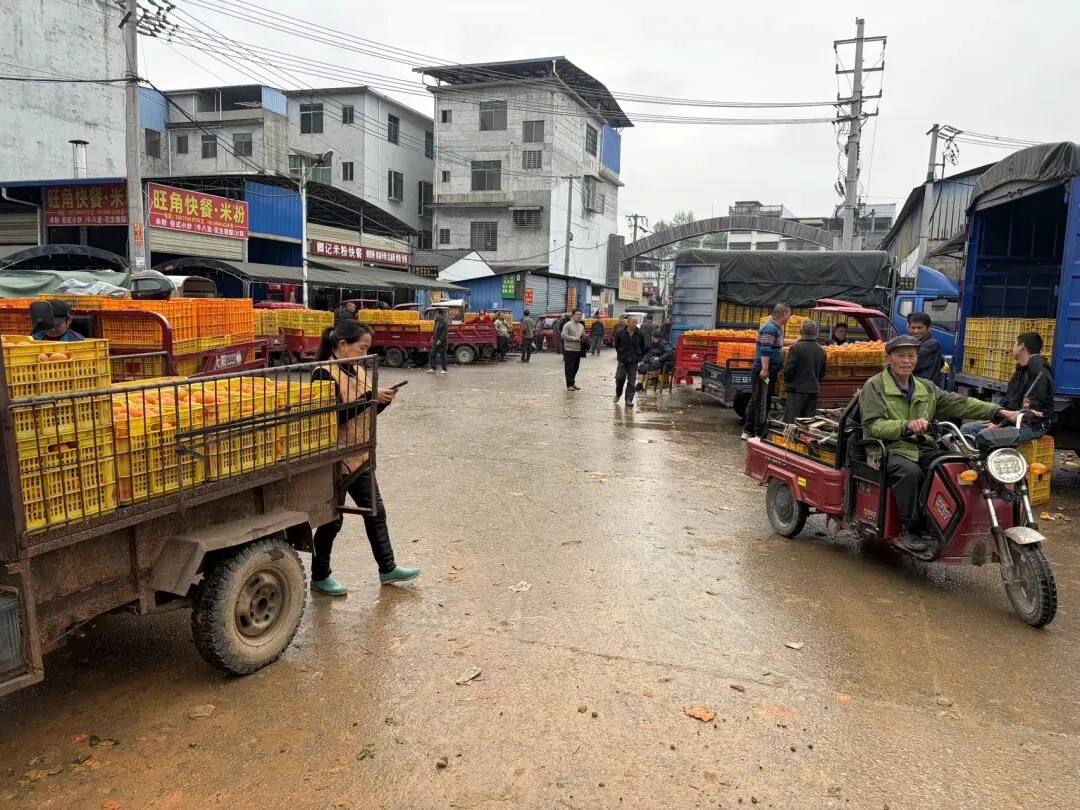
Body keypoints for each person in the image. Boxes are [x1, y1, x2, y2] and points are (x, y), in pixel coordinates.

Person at [862, 334, 1017, 552]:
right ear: (888, 358)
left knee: (953, 465)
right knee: (910, 473)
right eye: (900, 356)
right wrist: (906, 425)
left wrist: (998, 411)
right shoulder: (874, 386)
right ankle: (910, 528)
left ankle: (940, 519)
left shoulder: (926, 387)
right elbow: (874, 425)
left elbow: (959, 403)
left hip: (922, 446)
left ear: (917, 359)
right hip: (889, 447)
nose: (906, 361)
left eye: (911, 356)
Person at [309, 321, 421, 594]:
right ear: (342, 345)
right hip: (335, 457)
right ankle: (320, 576)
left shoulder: (358, 369)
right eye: (362, 347)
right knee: (332, 519)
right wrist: (370, 398)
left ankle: (388, 568)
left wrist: (379, 404)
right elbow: (331, 418)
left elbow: (364, 414)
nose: (365, 353)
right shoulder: (323, 373)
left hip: (359, 456)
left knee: (375, 513)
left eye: (368, 348)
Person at [962, 331, 1053, 442]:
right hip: (1010, 420)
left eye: (1015, 344)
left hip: (1031, 426)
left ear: (1022, 347)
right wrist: (996, 421)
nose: (1012, 348)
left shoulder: (1039, 373)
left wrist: (998, 426)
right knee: (966, 429)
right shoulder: (1022, 369)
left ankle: (988, 459)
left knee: (982, 437)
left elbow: (1028, 412)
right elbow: (1010, 401)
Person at [742, 303, 790, 440]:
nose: (790, 317)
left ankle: (748, 430)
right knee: (762, 401)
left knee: (757, 399)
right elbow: (765, 349)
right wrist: (765, 369)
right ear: (784, 314)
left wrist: (795, 341)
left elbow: (779, 342)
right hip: (764, 371)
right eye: (789, 313)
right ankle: (757, 433)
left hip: (769, 370)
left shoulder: (776, 328)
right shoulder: (770, 328)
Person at [782, 321, 827, 421]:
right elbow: (823, 372)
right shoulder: (821, 350)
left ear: (801, 331)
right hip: (813, 390)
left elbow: (788, 369)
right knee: (807, 423)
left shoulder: (795, 348)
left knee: (792, 422)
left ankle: (792, 437)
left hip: (796, 390)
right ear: (815, 333)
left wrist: (787, 382)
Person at [613, 315, 646, 404]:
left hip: (634, 361)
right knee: (619, 378)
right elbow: (616, 345)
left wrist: (639, 357)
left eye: (636, 322)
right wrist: (621, 353)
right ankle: (618, 394)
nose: (635, 324)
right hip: (623, 360)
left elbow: (643, 347)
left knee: (631, 381)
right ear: (628, 322)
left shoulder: (640, 334)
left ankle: (629, 399)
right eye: (633, 322)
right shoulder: (620, 333)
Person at [907, 312, 944, 386]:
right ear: (908, 328)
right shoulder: (915, 343)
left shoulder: (932, 344)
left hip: (927, 390)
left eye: (920, 328)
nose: (916, 331)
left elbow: (910, 363)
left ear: (929, 328)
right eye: (913, 328)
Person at [561, 309, 585, 391]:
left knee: (575, 368)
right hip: (569, 349)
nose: (579, 316)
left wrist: (585, 339)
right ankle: (569, 385)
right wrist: (574, 339)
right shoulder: (568, 325)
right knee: (569, 368)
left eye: (580, 314)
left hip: (578, 350)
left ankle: (572, 383)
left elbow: (583, 336)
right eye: (577, 314)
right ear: (573, 315)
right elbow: (563, 335)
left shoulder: (581, 326)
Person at [428, 308, 449, 374]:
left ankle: (444, 369)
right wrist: (432, 337)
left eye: (436, 313)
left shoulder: (444, 322)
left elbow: (445, 333)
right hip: (435, 341)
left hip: (442, 342)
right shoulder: (436, 321)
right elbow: (435, 330)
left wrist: (440, 340)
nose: (435, 314)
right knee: (432, 354)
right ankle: (433, 368)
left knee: (442, 356)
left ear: (440, 314)